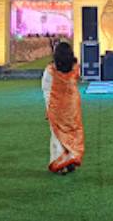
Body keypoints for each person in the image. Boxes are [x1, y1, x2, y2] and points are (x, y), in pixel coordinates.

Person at [40, 41, 84, 175]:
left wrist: (48, 107)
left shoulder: (50, 70)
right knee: (73, 132)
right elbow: (75, 81)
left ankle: (61, 164)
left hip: (56, 106)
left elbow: (46, 88)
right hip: (72, 106)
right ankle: (70, 161)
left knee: (58, 134)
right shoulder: (75, 68)